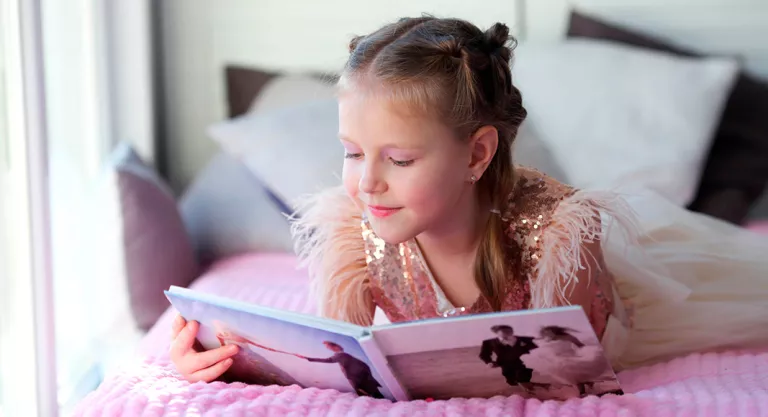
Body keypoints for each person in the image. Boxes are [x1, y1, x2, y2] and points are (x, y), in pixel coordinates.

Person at [169, 15, 768, 385]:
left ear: (477, 155)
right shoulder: (357, 236)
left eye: (399, 159)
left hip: (624, 317)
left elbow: (575, 374)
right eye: (353, 152)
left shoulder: (558, 238)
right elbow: (331, 362)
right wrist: (226, 357)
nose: (367, 182)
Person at [521, 326, 614, 397]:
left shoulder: (566, 337)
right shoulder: (543, 340)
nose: (548, 335)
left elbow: (580, 345)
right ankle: (583, 388)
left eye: (549, 333)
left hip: (570, 357)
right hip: (559, 359)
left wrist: (582, 352)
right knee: (567, 371)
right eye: (545, 334)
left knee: (570, 370)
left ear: (554, 332)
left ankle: (584, 387)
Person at [300, 341, 385, 398]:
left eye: (329, 347)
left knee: (370, 394)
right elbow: (364, 366)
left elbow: (327, 360)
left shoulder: (341, 355)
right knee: (374, 394)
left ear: (335, 347)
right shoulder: (345, 355)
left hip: (359, 378)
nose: (329, 349)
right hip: (363, 377)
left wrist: (308, 358)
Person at [479, 325, 538, 392]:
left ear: (512, 331)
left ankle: (532, 390)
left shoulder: (525, 339)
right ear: (497, 333)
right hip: (505, 364)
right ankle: (541, 386)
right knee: (512, 382)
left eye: (509, 331)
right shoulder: (489, 342)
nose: (507, 333)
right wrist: (489, 362)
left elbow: (536, 349)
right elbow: (484, 354)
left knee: (522, 379)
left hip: (524, 362)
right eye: (504, 332)